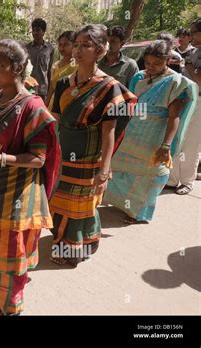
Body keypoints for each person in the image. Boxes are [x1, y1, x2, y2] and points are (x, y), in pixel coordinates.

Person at [0, 39, 61, 316]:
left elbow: (40, 158)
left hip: (19, 192)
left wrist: (1, 158)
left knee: (10, 249)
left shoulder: (33, 108)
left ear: (17, 68)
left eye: (0, 65)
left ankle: (8, 301)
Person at [49, 24, 136, 265]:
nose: (77, 50)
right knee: (58, 198)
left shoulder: (109, 87)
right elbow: (54, 119)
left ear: (99, 50)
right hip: (62, 150)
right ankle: (61, 238)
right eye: (76, 44)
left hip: (88, 155)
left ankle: (75, 249)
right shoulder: (63, 84)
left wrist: (105, 167)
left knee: (80, 204)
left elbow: (109, 131)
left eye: (85, 45)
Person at [105, 40, 198, 223]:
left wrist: (166, 145)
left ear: (168, 60)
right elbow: (131, 104)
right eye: (148, 63)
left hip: (155, 135)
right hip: (134, 131)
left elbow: (174, 117)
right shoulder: (139, 77)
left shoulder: (175, 82)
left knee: (149, 176)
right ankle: (124, 204)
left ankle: (139, 214)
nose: (151, 67)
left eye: (157, 64)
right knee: (124, 169)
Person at [166, 18, 201, 193]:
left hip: (199, 101)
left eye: (193, 31)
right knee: (178, 137)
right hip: (187, 98)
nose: (189, 34)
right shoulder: (195, 52)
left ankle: (187, 181)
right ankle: (172, 179)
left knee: (192, 143)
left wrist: (187, 66)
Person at [46, 31, 78, 109]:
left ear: (74, 45)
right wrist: (45, 106)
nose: (62, 48)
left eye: (66, 44)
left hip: (69, 106)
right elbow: (51, 89)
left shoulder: (77, 66)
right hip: (53, 105)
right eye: (60, 45)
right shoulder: (55, 65)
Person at [26, 18, 55, 103]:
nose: (35, 33)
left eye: (38, 30)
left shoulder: (50, 49)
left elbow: (49, 70)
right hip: (28, 86)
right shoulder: (26, 47)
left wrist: (49, 90)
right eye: (33, 30)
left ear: (44, 31)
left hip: (43, 88)